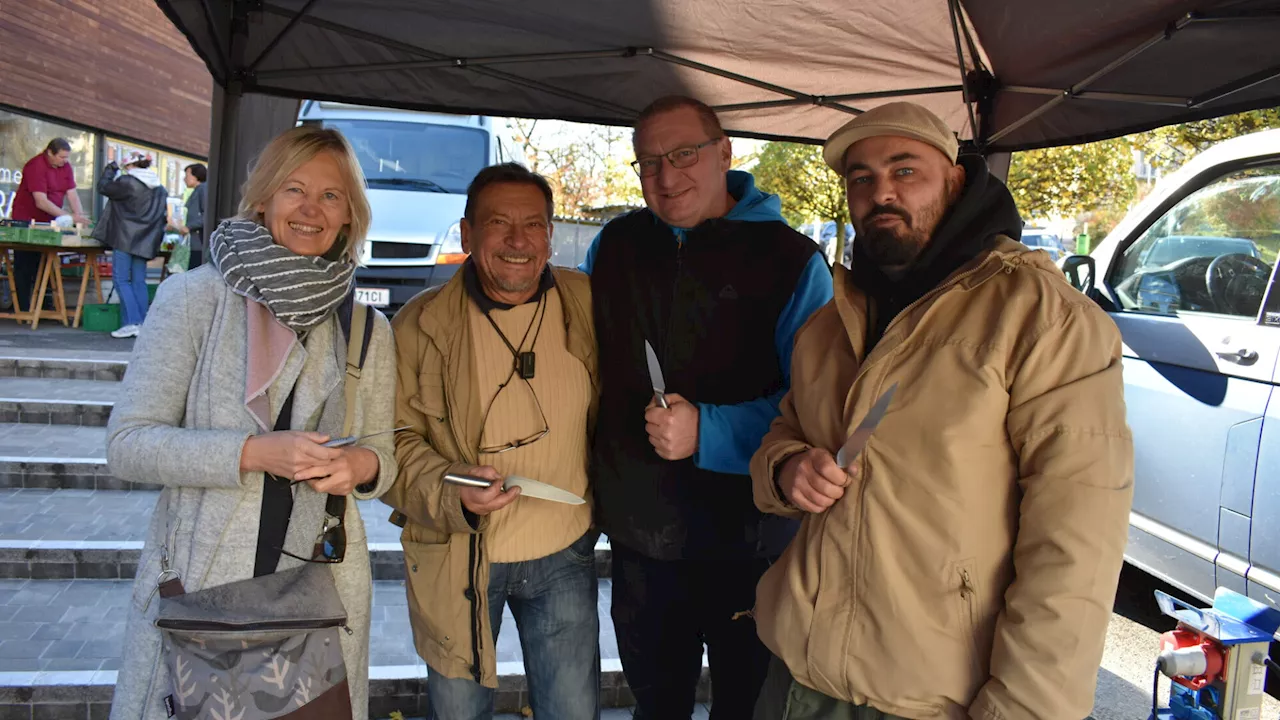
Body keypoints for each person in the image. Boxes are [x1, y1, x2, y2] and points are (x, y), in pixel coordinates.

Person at [749, 102, 1134, 719]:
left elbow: (1075, 550)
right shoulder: (829, 324)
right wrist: (787, 468)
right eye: (862, 179)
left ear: (956, 181)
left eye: (906, 171)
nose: (882, 194)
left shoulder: (1042, 318)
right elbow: (784, 430)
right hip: (798, 673)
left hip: (933, 699)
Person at [105, 125, 397, 720]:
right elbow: (128, 444)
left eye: (331, 196)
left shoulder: (369, 328)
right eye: (294, 189)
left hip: (321, 594)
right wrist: (252, 453)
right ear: (262, 198)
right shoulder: (195, 299)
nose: (311, 208)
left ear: (349, 217)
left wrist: (357, 466)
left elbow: (384, 457)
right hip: (203, 586)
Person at [577, 96, 834, 719]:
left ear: (725, 153)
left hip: (750, 544)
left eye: (684, 154)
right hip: (642, 542)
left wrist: (710, 431)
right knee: (655, 704)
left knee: (745, 708)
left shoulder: (793, 262)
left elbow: (818, 404)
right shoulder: (613, 247)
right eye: (649, 163)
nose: (667, 176)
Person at [383, 163, 601, 720]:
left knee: (573, 712)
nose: (517, 240)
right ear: (466, 233)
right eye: (498, 223)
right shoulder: (419, 325)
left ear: (550, 234)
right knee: (459, 713)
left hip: (565, 551)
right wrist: (453, 489)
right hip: (459, 556)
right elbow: (392, 443)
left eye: (533, 224)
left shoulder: (588, 303)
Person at [93, 153, 169, 339]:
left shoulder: (127, 182)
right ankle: (142, 323)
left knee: (121, 279)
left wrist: (110, 169)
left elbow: (103, 187)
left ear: (130, 166)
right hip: (145, 240)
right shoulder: (159, 188)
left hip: (124, 237)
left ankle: (131, 323)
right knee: (139, 281)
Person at [9, 138, 88, 311]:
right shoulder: (35, 166)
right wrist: (69, 217)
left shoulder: (65, 167)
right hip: (26, 219)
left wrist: (80, 218)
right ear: (50, 153)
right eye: (61, 157)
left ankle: (43, 306)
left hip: (50, 220)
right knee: (25, 263)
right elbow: (41, 202)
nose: (64, 161)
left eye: (67, 158)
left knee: (45, 263)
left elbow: (72, 194)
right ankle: (22, 307)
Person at [180, 162, 208, 268]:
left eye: (187, 175)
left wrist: (189, 226)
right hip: (195, 241)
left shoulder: (203, 189)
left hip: (199, 242)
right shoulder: (198, 190)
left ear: (196, 176)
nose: (184, 179)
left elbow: (207, 215)